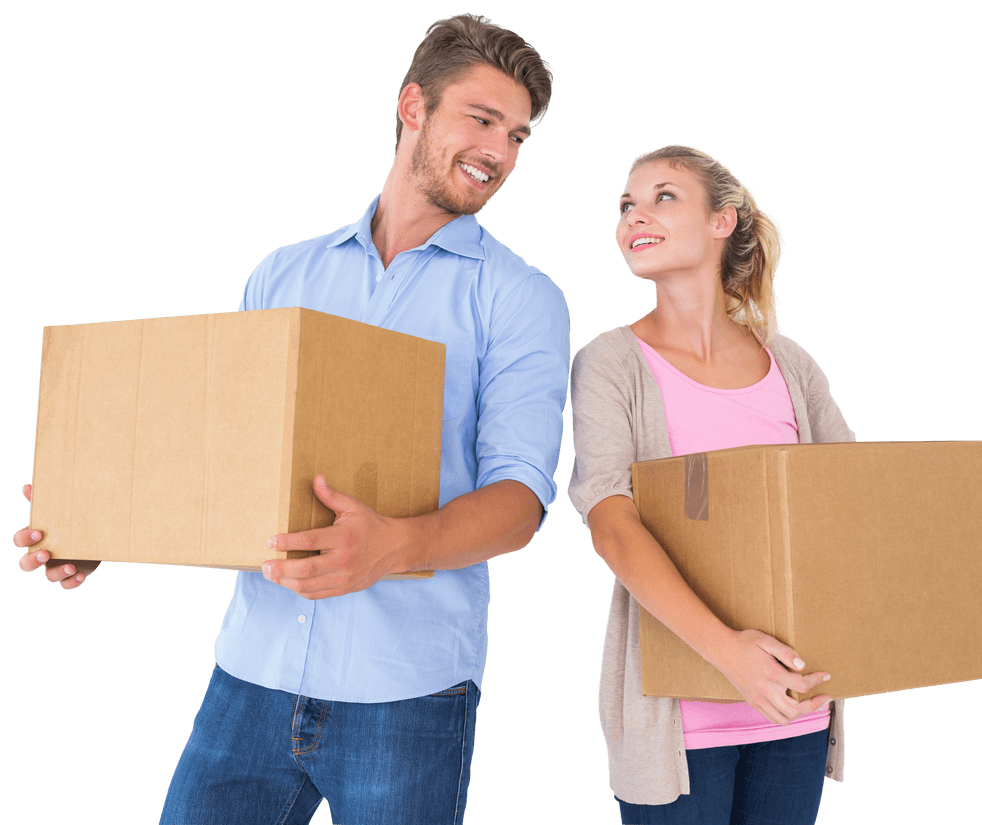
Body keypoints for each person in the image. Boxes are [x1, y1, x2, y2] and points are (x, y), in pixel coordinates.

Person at [14, 13, 570, 825]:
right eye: (481, 119)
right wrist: (105, 526)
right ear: (413, 105)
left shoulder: (520, 298)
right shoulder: (286, 272)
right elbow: (222, 455)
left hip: (406, 690)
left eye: (518, 136)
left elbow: (520, 499)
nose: (500, 151)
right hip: (251, 673)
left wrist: (397, 545)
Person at [565, 143, 982, 824]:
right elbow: (611, 520)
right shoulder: (611, 363)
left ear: (724, 220)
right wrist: (731, 655)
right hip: (680, 728)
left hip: (796, 713)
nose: (634, 215)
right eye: (626, 203)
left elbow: (867, 513)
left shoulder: (789, 365)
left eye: (662, 197)